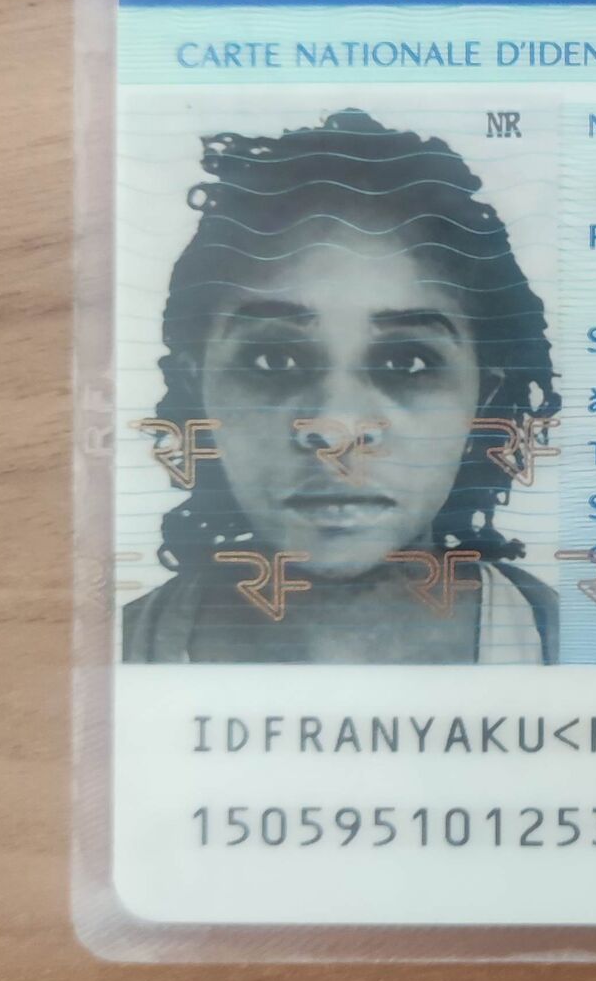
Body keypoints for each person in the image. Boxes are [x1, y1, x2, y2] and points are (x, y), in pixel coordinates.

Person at [122, 109, 558, 663]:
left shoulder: (578, 651)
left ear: (483, 398)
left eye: (406, 363)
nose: (335, 429)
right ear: (197, 385)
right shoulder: (108, 656)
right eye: (274, 360)